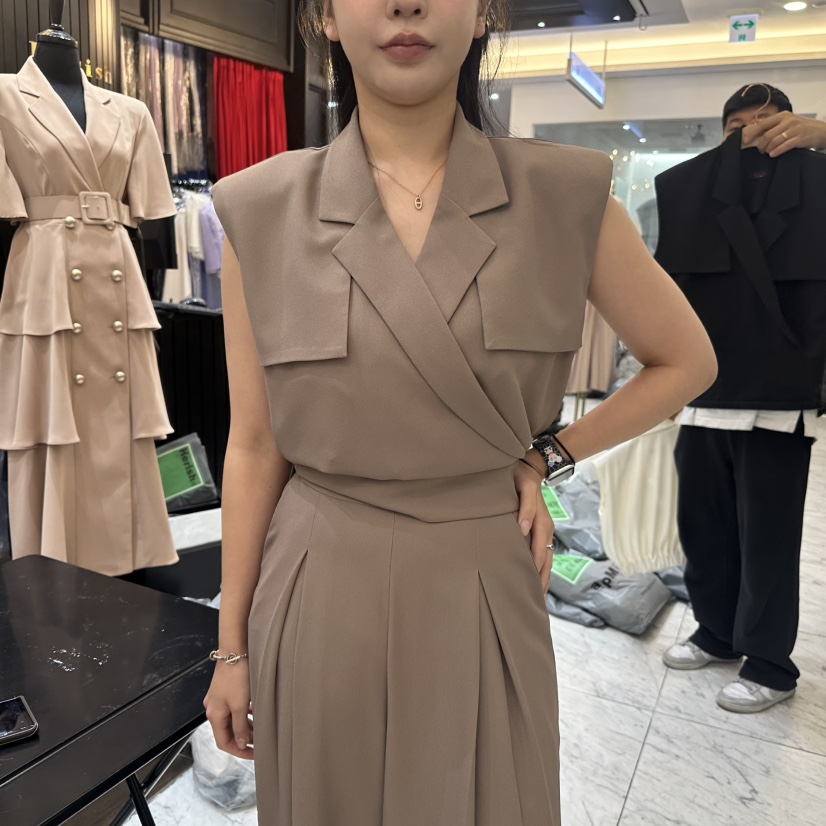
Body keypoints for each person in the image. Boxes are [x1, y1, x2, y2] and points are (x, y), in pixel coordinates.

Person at [202, 1, 716, 822]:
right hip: (318, 581)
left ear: (483, 14)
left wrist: (547, 456)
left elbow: (686, 360)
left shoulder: (564, 198)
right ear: (325, 15)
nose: (405, 4)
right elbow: (257, 445)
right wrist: (231, 651)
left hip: (482, 578)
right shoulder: (261, 209)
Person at [661, 84, 826, 713]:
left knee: (769, 535)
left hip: (781, 389)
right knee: (702, 523)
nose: (754, 133)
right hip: (702, 383)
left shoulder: (818, 182)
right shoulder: (688, 190)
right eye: (738, 124)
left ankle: (770, 664)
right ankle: (717, 631)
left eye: (770, 121)